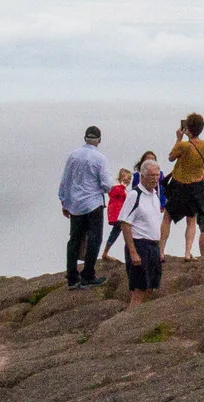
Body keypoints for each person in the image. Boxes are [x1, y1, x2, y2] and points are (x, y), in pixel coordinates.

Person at [56, 125, 113, 289]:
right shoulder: (100, 158)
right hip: (93, 204)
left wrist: (64, 201)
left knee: (74, 239)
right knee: (94, 239)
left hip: (75, 204)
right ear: (99, 140)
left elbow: (65, 179)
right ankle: (88, 274)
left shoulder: (73, 155)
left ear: (85, 138)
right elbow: (106, 183)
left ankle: (72, 277)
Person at [162, 112, 204, 259]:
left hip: (180, 184)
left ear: (188, 128)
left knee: (167, 216)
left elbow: (171, 157)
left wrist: (179, 139)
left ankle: (161, 251)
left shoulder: (184, 146)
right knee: (191, 220)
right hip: (196, 185)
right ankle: (187, 252)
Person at [118, 153, 165, 303]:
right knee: (139, 291)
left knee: (150, 288)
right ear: (142, 176)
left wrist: (160, 250)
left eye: (157, 175)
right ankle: (128, 324)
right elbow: (125, 223)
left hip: (153, 246)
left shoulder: (155, 196)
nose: (155, 178)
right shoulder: (134, 195)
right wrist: (133, 252)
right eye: (151, 175)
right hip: (139, 246)